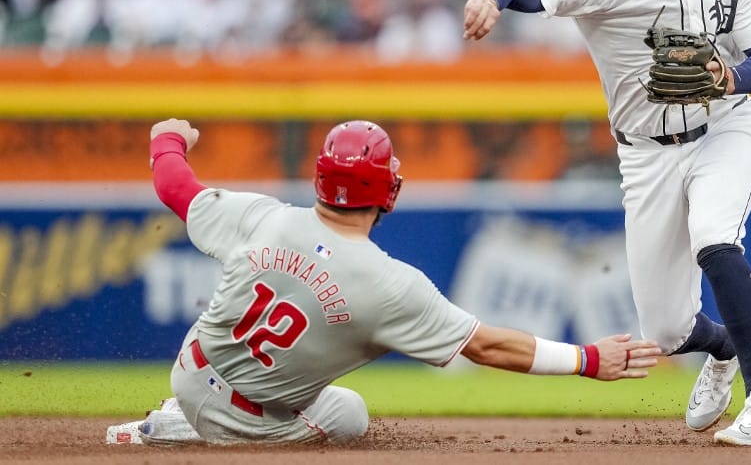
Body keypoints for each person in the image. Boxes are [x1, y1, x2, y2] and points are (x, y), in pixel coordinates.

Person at [461, 0, 751, 447]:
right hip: (645, 151)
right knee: (666, 331)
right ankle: (720, 352)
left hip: (725, 127)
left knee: (716, 239)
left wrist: (729, 78)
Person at [111, 118, 660, 447]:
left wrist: (167, 138)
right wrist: (588, 360)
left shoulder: (263, 217)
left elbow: (174, 186)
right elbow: (487, 345)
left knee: (301, 393)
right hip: (250, 423)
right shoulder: (391, 285)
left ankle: (179, 414)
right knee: (348, 413)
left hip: (189, 372)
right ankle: (185, 431)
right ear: (386, 190)